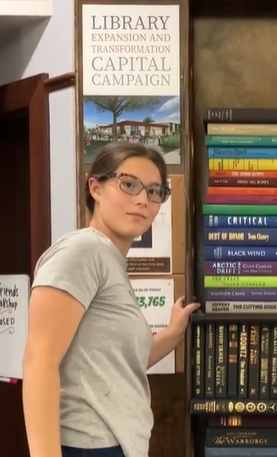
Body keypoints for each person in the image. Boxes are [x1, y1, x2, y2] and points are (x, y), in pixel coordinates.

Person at [22, 142, 200, 457]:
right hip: (87, 446)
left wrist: (173, 332)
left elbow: (117, 363)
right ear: (96, 188)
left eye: (154, 191)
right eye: (129, 185)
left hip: (118, 445)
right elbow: (39, 360)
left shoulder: (110, 261)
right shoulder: (82, 251)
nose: (143, 199)